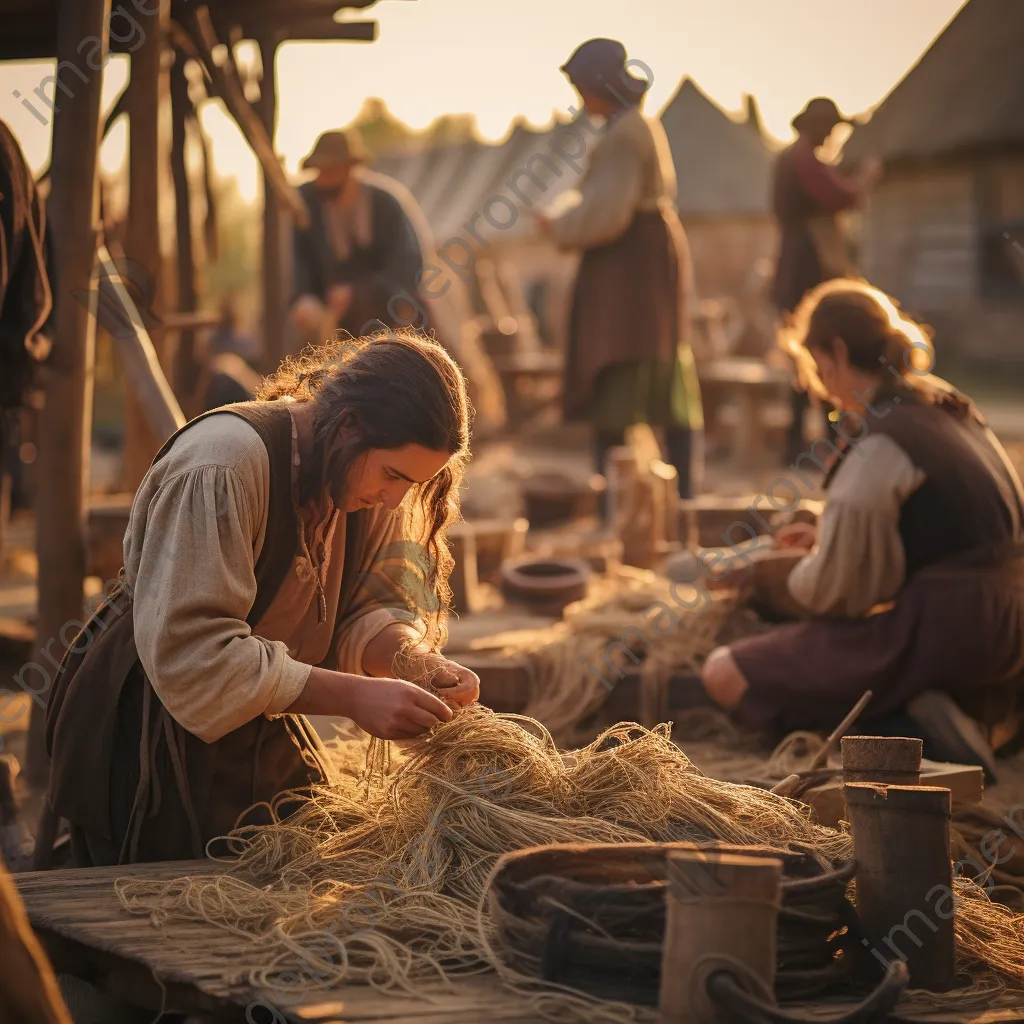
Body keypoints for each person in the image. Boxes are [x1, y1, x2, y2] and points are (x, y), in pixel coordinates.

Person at [43, 331, 481, 867]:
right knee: (164, 907)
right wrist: (354, 698)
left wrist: (410, 660)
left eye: (412, 484)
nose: (393, 499)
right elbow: (197, 657)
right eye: (392, 475)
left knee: (309, 863)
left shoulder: (363, 473)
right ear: (348, 425)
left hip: (256, 711)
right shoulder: (224, 464)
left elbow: (363, 608)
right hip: (149, 719)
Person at [701, 280, 1024, 776]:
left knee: (725, 673)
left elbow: (840, 593)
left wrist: (763, 573)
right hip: (1009, 627)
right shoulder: (945, 405)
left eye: (818, 367)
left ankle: (916, 732)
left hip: (945, 631)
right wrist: (824, 529)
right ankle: (965, 717)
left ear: (837, 351)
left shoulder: (881, 446)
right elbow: (938, 525)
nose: (818, 385)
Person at [536, 38, 703, 499]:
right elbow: (602, 202)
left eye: (581, 86)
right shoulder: (627, 129)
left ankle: (644, 497)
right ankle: (660, 495)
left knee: (623, 359)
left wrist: (559, 226)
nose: (578, 97)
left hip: (631, 271)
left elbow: (608, 212)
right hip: (634, 264)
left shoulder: (627, 133)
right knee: (646, 358)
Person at [771, 98, 881, 462]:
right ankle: (829, 442)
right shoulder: (803, 159)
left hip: (797, 267)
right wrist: (863, 180)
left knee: (811, 357)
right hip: (807, 269)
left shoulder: (794, 159)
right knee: (818, 354)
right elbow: (839, 195)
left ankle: (820, 441)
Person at [289, 127, 431, 348]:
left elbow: (409, 265)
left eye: (331, 171)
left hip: (385, 309)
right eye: (320, 171)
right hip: (329, 316)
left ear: (350, 170)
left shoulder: (385, 204)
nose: (324, 179)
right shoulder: (306, 204)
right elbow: (298, 263)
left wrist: (356, 293)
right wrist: (304, 297)